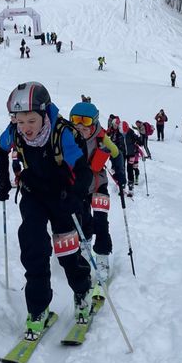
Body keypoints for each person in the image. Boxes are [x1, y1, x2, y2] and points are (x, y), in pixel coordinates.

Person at [0, 83, 94, 339]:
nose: (25, 127)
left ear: (44, 113)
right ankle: (38, 309)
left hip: (62, 198)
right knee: (33, 249)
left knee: (68, 253)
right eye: (19, 121)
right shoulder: (15, 133)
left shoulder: (63, 134)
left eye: (31, 120)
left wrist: (75, 196)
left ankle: (83, 291)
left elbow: (83, 170)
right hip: (33, 195)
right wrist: (3, 181)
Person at [69, 101, 124, 297]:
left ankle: (102, 259)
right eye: (75, 120)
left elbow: (117, 155)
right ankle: (84, 256)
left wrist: (121, 176)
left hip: (99, 185)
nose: (80, 126)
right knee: (83, 224)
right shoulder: (69, 137)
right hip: (80, 189)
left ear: (94, 122)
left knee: (101, 222)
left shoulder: (101, 137)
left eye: (85, 121)